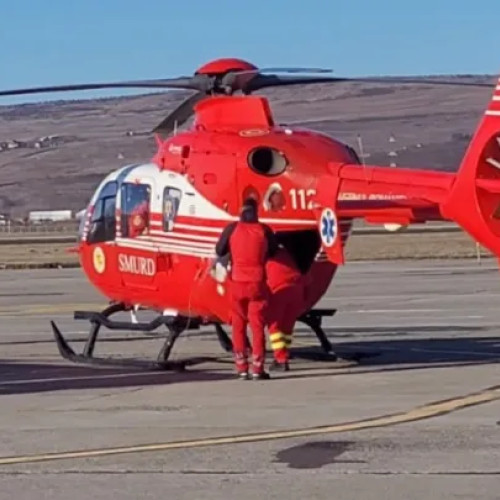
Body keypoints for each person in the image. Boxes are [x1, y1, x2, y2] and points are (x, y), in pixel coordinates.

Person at [215, 197, 278, 380]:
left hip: (237, 282)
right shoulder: (264, 230)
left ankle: (241, 366)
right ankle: (258, 368)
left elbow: (219, 250)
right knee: (257, 326)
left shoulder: (232, 229)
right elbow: (273, 251)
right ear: (256, 211)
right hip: (257, 283)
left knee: (238, 325)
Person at [266, 245, 304, 371]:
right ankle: (285, 353)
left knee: (274, 326)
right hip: (297, 290)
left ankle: (281, 359)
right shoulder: (289, 255)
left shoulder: (268, 258)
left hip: (279, 291)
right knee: (287, 326)